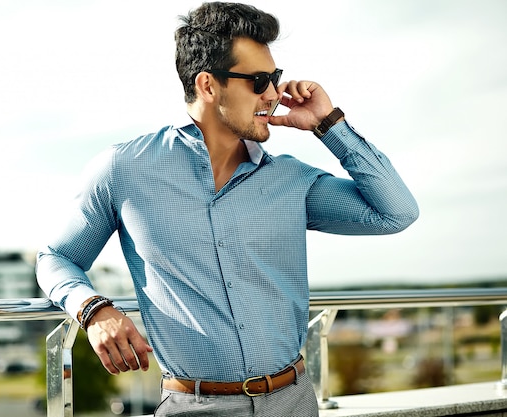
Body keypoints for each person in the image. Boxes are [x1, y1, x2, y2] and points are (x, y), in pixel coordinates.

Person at [36, 2, 419, 416]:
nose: (274, 95)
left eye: (274, 79)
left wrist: (330, 124)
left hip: (293, 403)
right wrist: (93, 310)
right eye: (259, 81)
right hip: (191, 406)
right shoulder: (124, 169)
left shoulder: (291, 181)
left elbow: (395, 213)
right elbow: (55, 258)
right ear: (207, 85)